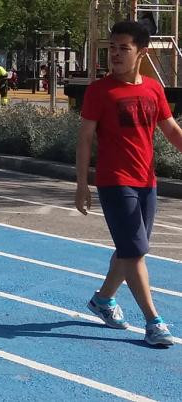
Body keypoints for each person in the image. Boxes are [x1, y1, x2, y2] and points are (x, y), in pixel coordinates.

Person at [77, 20, 177, 347]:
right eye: (113, 48)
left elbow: (171, 130)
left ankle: (104, 299)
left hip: (147, 181)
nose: (116, 55)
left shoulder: (153, 88)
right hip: (114, 181)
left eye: (124, 48)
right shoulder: (99, 91)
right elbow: (85, 139)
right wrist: (81, 184)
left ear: (141, 53)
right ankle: (153, 321)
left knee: (129, 248)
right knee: (135, 251)